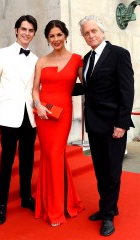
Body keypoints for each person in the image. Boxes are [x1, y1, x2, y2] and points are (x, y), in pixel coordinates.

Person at [78, 15, 134, 236]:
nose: (91, 35)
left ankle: (109, 216)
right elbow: (88, 89)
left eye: (94, 31)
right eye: (86, 33)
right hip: (94, 124)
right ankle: (106, 207)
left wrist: (122, 122)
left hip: (113, 125)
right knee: (100, 170)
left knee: (112, 171)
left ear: (102, 31)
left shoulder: (119, 54)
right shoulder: (87, 58)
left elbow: (127, 91)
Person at [0, 15, 38, 225]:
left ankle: (26, 197)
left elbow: (36, 88)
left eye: (31, 30)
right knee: (7, 160)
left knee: (27, 160)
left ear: (34, 33)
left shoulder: (36, 59)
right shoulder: (1, 54)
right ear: (16, 30)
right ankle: (2, 203)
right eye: (23, 29)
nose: (26, 33)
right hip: (8, 117)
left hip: (29, 117)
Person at [32, 20, 84, 226]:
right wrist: (38, 104)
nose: (56, 39)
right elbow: (35, 88)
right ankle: (56, 204)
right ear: (47, 38)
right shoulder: (42, 61)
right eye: (51, 36)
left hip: (63, 114)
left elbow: (89, 84)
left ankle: (56, 209)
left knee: (55, 154)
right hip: (44, 113)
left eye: (59, 35)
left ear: (65, 35)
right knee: (50, 156)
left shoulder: (77, 59)